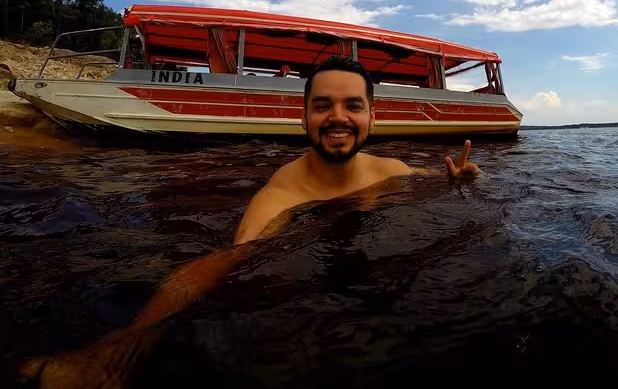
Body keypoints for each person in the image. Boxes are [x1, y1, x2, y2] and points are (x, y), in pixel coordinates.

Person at [18, 55, 481, 388]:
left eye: (352, 106)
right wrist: (125, 343)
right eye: (322, 105)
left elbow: (429, 177)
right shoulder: (281, 196)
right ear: (303, 117)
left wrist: (456, 181)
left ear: (371, 118)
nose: (338, 117)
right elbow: (222, 262)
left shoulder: (393, 170)